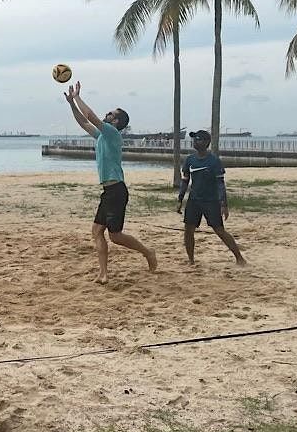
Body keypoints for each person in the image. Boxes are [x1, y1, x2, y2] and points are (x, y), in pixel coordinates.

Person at [64, 81, 156, 283]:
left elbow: (90, 116)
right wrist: (71, 103)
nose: (107, 114)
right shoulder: (102, 136)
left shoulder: (112, 133)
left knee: (115, 236)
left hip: (116, 190)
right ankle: (103, 274)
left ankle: (147, 252)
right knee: (97, 231)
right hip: (108, 192)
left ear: (116, 123)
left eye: (111, 114)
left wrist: (78, 97)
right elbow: (83, 122)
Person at [176, 129, 246, 266]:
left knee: (219, 230)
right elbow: (185, 181)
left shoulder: (214, 161)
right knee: (188, 230)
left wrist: (224, 204)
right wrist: (180, 199)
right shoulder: (190, 160)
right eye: (194, 139)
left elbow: (221, 184)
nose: (195, 141)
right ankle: (191, 260)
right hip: (194, 200)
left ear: (207, 142)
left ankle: (239, 257)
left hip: (211, 201)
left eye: (199, 139)